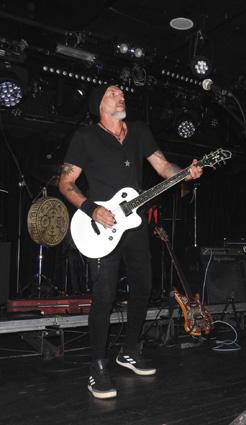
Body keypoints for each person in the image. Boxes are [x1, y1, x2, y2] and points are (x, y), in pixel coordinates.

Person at [58, 85, 203, 399]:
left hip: (134, 223)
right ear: (99, 104)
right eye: (113, 93)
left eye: (122, 93)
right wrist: (92, 209)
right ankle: (97, 366)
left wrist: (185, 173)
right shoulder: (86, 137)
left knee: (143, 288)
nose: (121, 95)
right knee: (104, 296)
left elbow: (163, 167)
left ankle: (129, 351)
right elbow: (66, 182)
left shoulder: (139, 131)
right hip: (101, 224)